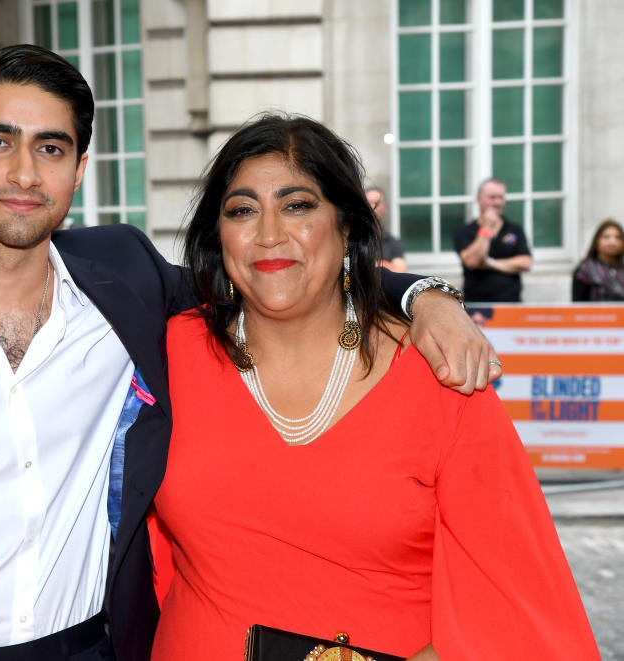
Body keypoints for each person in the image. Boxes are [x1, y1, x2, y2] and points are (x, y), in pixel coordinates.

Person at [0, 46, 496, 661]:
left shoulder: (122, 276)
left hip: (98, 645)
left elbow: (269, 273)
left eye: (50, 147)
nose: (24, 173)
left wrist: (419, 294)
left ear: (79, 166)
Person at [148, 115, 597, 660]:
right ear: (218, 236)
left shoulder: (438, 371)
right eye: (242, 210)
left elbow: (513, 599)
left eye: (298, 206)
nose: (268, 233)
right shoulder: (171, 352)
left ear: (348, 229)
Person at [453, 178, 532, 302]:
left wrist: (490, 263)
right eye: (492, 197)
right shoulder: (465, 231)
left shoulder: (514, 229)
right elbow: (472, 261)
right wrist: (487, 228)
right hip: (477, 308)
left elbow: (526, 262)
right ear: (479, 199)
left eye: (501, 197)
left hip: (510, 304)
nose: (498, 202)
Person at [572, 218, 624, 301]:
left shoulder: (621, 269)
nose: (612, 242)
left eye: (618, 237)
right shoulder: (586, 269)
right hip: (597, 314)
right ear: (597, 241)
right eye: (606, 237)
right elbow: (578, 306)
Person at [364, 186, 406, 272]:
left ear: (385, 207)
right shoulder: (351, 239)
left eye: (376, 203)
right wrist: (385, 265)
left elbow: (400, 270)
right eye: (368, 203)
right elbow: (347, 271)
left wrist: (369, 264)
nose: (372, 207)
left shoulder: (393, 242)